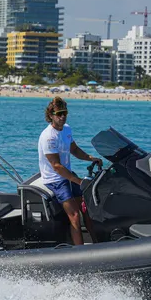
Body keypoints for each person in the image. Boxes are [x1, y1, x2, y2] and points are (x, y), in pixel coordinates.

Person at [38, 97, 102, 245]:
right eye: (59, 113)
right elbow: (56, 166)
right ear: (51, 115)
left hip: (67, 177)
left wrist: (91, 158)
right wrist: (78, 181)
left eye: (64, 113)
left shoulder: (66, 129)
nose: (62, 116)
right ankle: (80, 253)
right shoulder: (48, 137)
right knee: (74, 216)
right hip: (55, 180)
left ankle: (98, 244)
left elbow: (74, 149)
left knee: (87, 210)